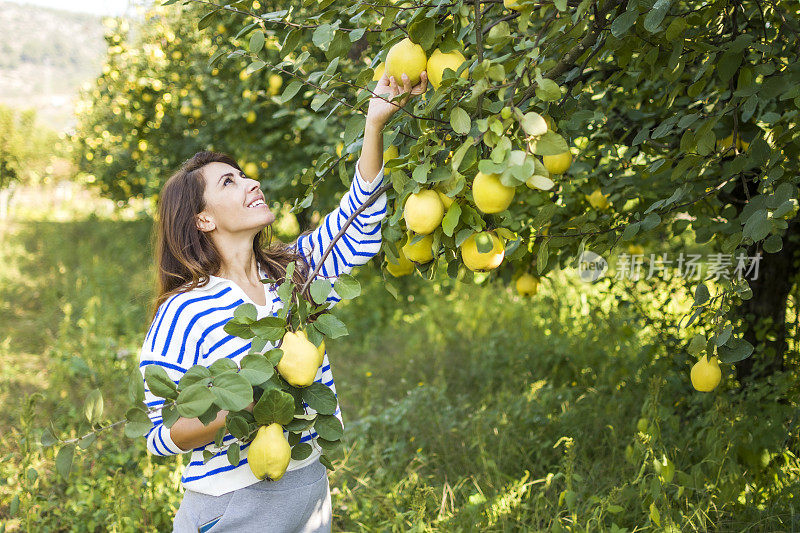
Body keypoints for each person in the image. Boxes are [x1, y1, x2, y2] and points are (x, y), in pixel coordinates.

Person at [137, 70, 428, 533]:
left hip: (307, 487)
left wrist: (374, 125)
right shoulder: (183, 310)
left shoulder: (294, 272)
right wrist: (240, 406)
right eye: (229, 182)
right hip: (234, 503)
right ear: (203, 220)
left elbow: (361, 216)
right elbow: (160, 435)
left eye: (245, 174)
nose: (251, 182)